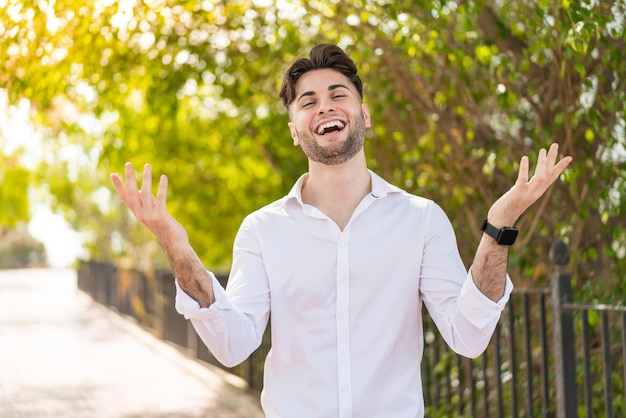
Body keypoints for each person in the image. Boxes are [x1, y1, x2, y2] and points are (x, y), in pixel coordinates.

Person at [110, 44, 572, 417]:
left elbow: (468, 337)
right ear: (294, 130)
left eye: (338, 94)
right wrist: (175, 245)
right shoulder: (262, 230)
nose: (324, 106)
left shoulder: (421, 219)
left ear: (363, 113)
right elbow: (233, 344)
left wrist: (501, 225)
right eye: (307, 102)